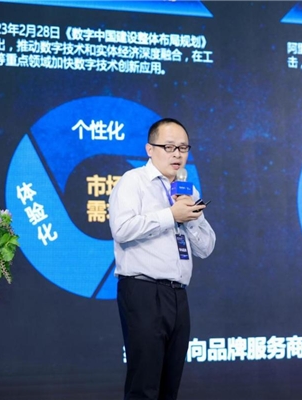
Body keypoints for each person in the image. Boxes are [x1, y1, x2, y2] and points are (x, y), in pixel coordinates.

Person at [109, 117, 216, 400]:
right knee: (144, 386)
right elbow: (122, 229)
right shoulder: (133, 181)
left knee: (170, 387)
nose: (177, 154)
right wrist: (170, 215)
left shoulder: (187, 190)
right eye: (169, 147)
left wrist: (188, 216)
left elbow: (206, 247)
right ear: (150, 149)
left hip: (178, 294)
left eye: (183, 148)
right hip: (143, 290)